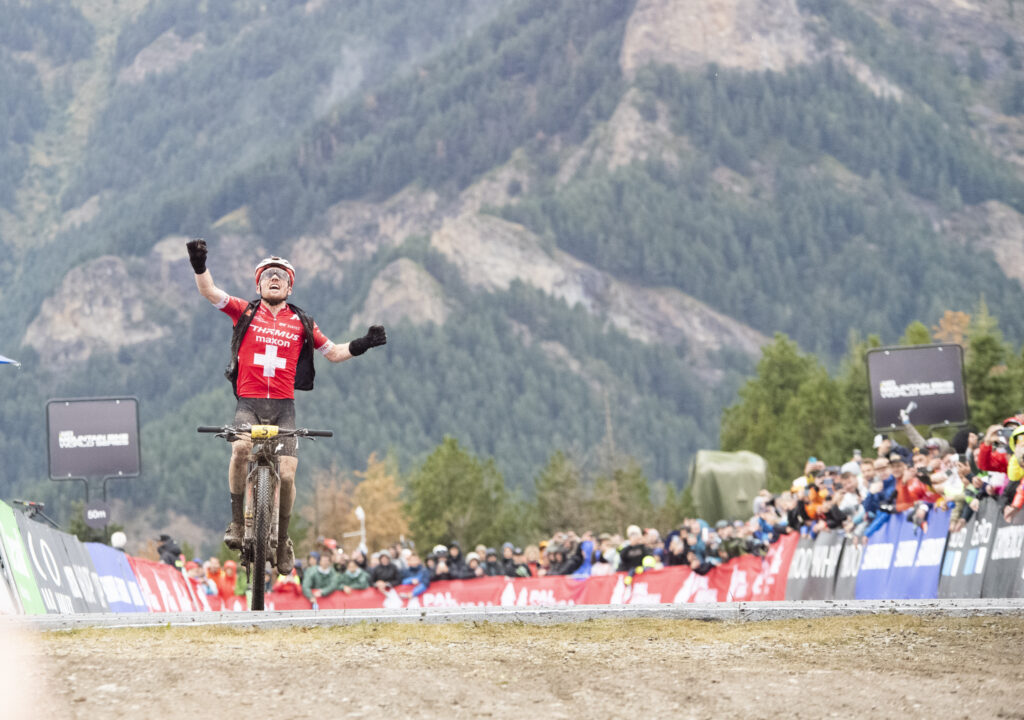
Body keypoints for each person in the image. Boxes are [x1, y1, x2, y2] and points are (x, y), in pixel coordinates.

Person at [185, 239, 387, 576]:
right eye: (268, 275)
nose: (274, 278)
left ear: (290, 286)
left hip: (284, 409)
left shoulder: (302, 323)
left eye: (281, 275)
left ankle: (281, 540)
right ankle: (237, 523)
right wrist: (198, 263)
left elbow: (334, 353)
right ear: (259, 284)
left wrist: (363, 343)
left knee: (289, 475)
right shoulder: (244, 311)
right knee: (240, 451)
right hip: (248, 404)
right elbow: (209, 292)